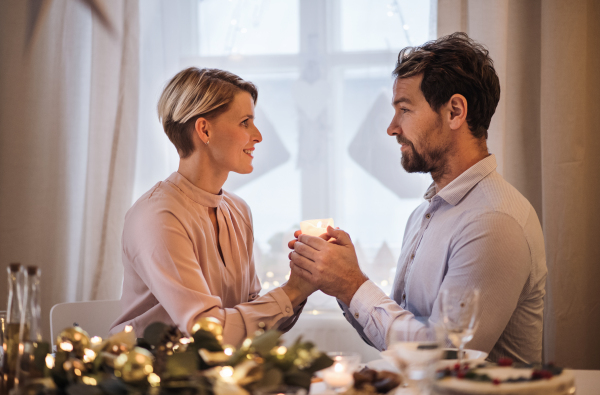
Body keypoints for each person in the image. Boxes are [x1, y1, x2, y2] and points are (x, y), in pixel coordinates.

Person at [288, 33, 547, 363]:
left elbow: (443, 356)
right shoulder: (425, 214)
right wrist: (342, 283)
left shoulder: (495, 221)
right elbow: (400, 340)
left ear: (455, 111)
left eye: (404, 110)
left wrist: (352, 285)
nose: (392, 128)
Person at [110, 68, 315, 345]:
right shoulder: (158, 217)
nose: (257, 136)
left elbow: (252, 320)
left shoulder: (238, 210)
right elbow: (208, 333)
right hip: (154, 379)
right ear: (204, 129)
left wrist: (303, 280)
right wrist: (293, 290)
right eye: (245, 122)